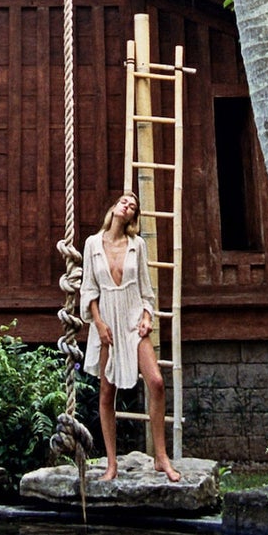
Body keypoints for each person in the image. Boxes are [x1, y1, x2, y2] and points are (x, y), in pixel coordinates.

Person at [81, 189, 180, 481]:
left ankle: (161, 457)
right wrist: (98, 324)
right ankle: (111, 463)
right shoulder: (92, 244)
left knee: (157, 382)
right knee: (106, 392)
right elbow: (89, 289)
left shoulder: (137, 245)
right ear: (114, 208)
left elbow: (146, 291)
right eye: (124, 201)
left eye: (133, 206)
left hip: (132, 318)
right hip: (106, 323)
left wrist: (148, 318)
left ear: (133, 218)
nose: (128, 205)